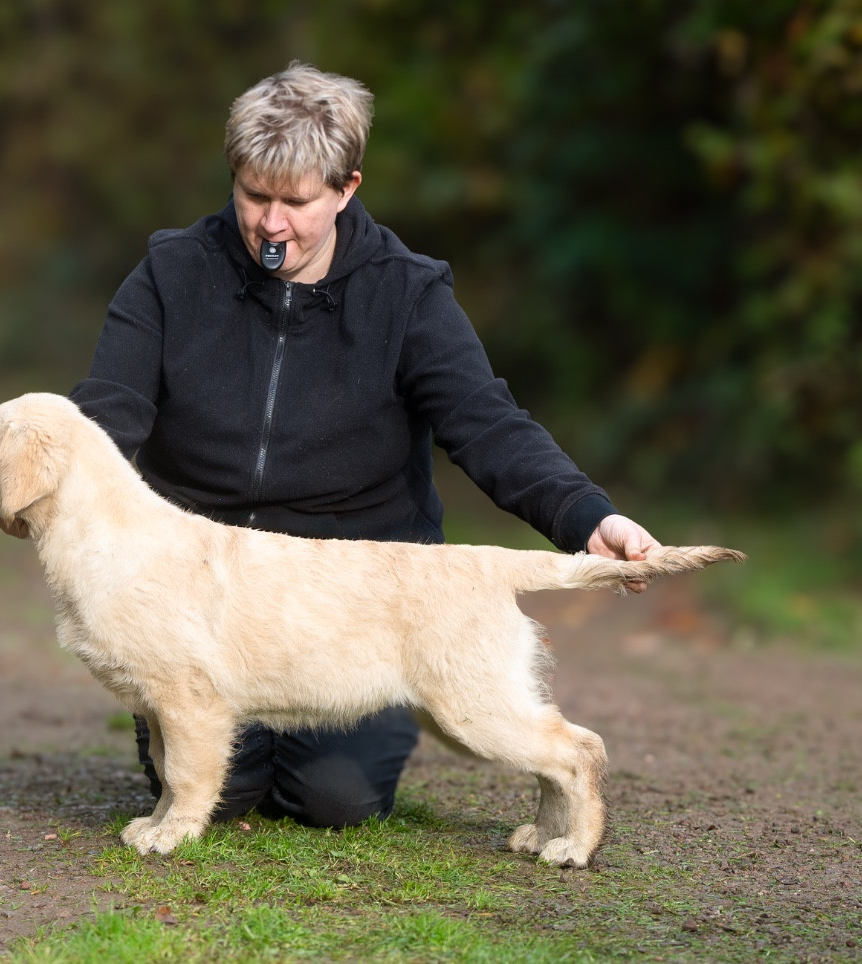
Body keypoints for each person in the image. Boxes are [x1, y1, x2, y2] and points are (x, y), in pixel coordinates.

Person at [68, 62, 659, 830]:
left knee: (333, 800)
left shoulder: (407, 292)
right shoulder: (172, 273)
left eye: (295, 201)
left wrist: (584, 516)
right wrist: (53, 487)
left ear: (347, 188)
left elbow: (486, 423)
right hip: (200, 597)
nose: (270, 224)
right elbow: (107, 414)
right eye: (253, 195)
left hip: (361, 597)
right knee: (219, 792)